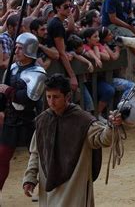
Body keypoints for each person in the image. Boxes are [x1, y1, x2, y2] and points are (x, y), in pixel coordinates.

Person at [22, 74, 123, 206]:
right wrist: (30, 178)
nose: (51, 102)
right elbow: (36, 153)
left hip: (74, 185)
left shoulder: (83, 120)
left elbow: (102, 139)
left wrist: (111, 126)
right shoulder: (43, 120)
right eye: (48, 97)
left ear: (68, 97)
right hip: (48, 186)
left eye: (56, 97)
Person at [0, 33, 47, 191]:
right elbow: (3, 94)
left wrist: (8, 92)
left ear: (29, 50)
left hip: (30, 121)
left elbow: (28, 98)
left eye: (20, 48)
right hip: (11, 120)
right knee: (2, 158)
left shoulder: (38, 73)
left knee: (39, 157)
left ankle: (47, 190)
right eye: (16, 47)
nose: (16, 51)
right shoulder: (12, 69)